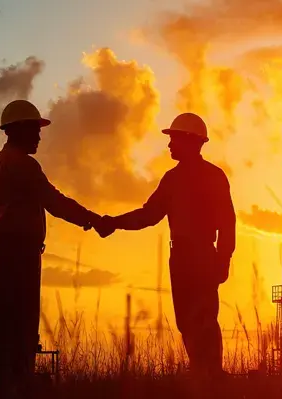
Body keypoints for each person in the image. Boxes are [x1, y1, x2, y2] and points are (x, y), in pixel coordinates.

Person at [94, 112, 236, 390]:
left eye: (173, 139)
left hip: (200, 256)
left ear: (189, 141)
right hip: (184, 257)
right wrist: (115, 223)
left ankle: (213, 377)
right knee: (186, 320)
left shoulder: (211, 177)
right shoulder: (174, 179)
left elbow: (228, 223)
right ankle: (202, 374)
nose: (169, 145)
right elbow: (149, 215)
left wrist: (224, 258)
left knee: (205, 318)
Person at [0, 99, 102, 398]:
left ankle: (6, 384)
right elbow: (53, 200)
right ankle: (19, 387)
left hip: (1, 250)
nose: (39, 136)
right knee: (22, 324)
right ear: (19, 130)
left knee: (7, 322)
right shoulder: (22, 164)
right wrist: (91, 219)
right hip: (19, 253)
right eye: (35, 130)